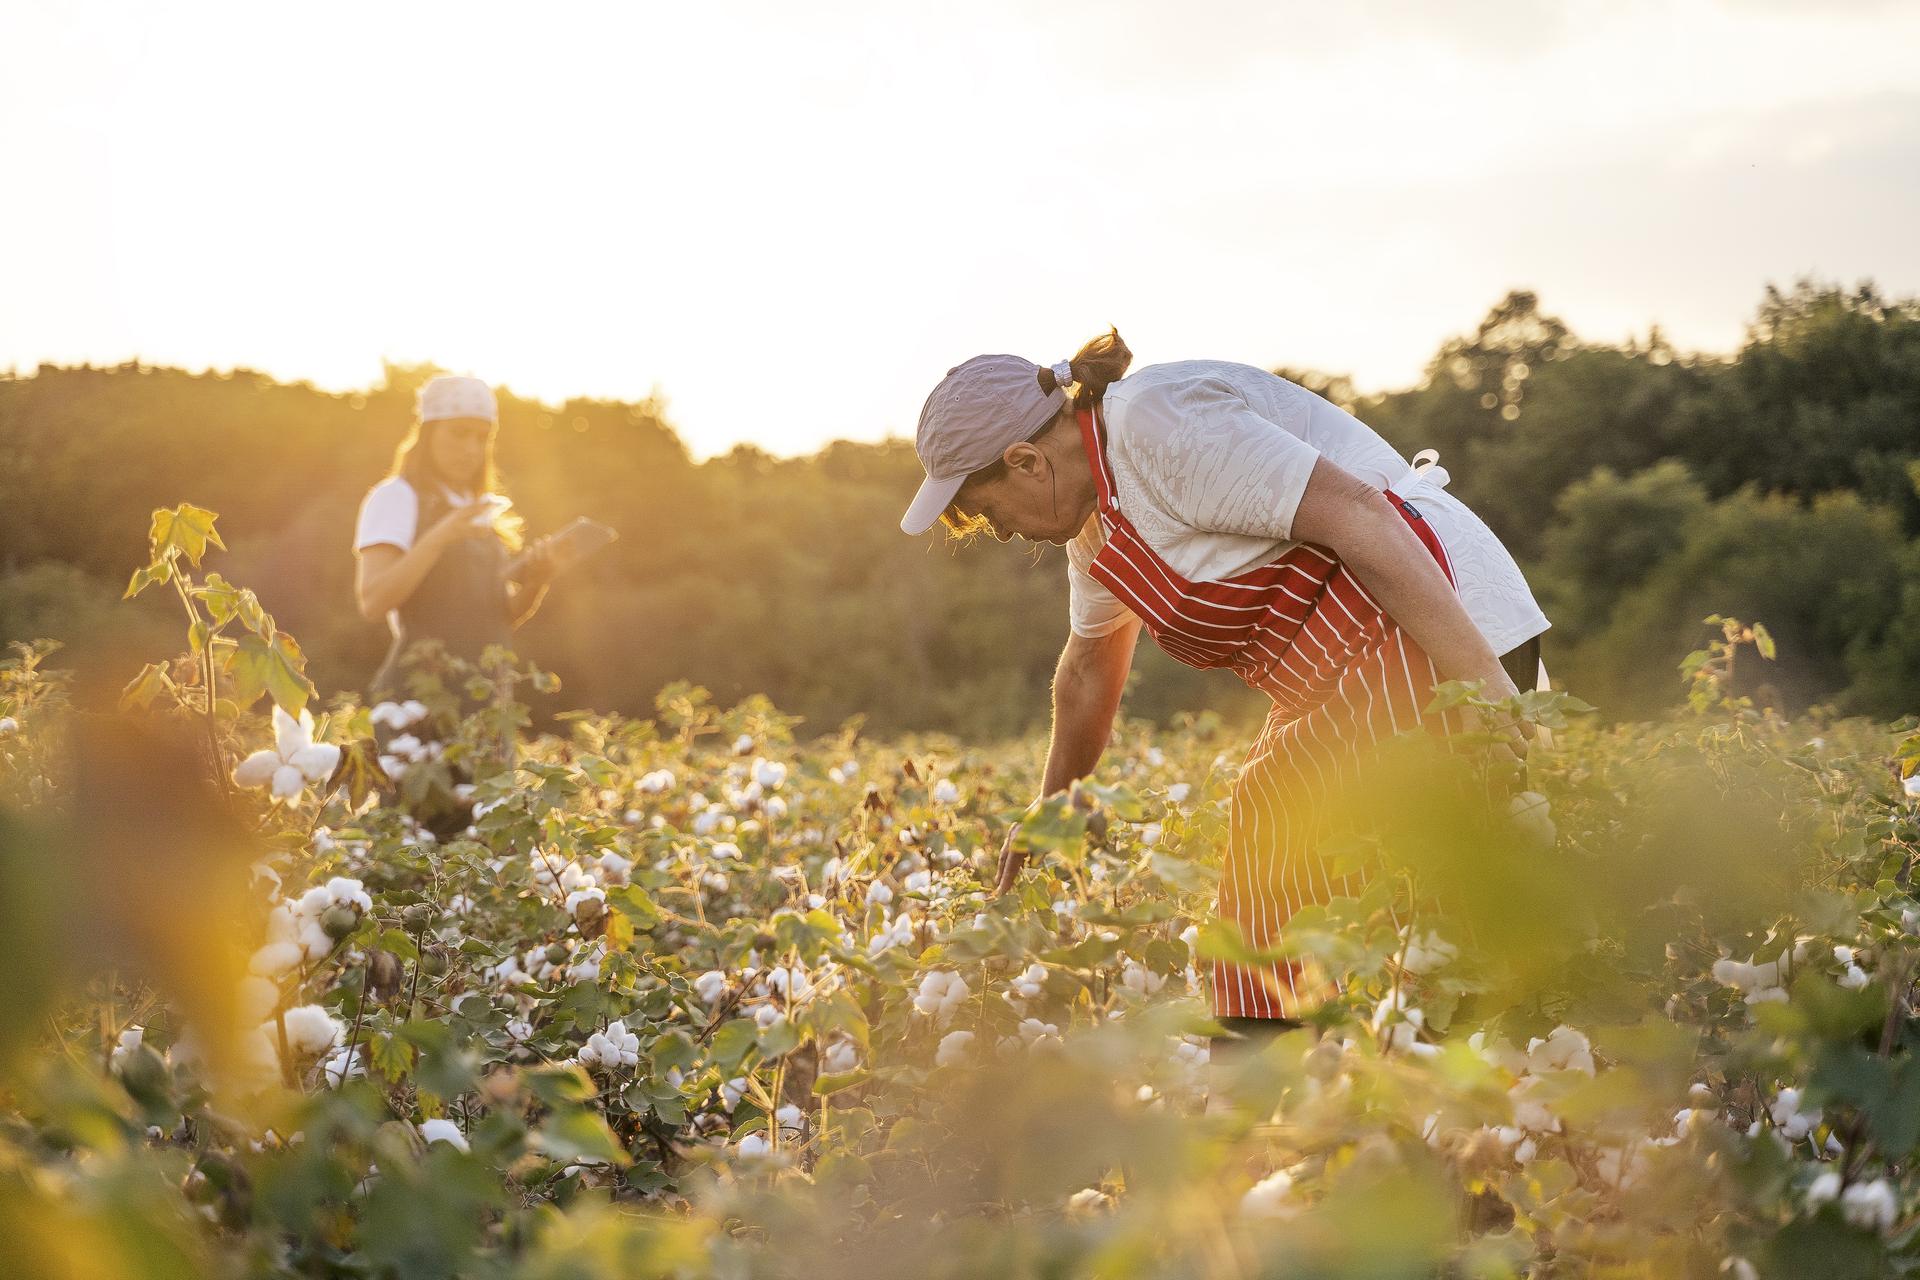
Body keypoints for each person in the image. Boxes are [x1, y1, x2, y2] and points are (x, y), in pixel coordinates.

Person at [900, 331, 1550, 1051]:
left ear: (1025, 460)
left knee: (1377, 884)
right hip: (1336, 683)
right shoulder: (1095, 529)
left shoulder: (1159, 422)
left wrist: (1491, 693)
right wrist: (1050, 818)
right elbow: (1088, 671)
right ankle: (1286, 1114)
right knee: (1275, 876)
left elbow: (1361, 515)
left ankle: (1379, 1097)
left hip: (1437, 622)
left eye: (989, 512)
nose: (999, 533)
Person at [353, 374, 560, 697]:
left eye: (482, 437)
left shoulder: (479, 507)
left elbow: (496, 620)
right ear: (428, 432)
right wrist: (439, 537)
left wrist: (536, 582)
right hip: (420, 699)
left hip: (485, 700)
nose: (472, 448)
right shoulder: (396, 497)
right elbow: (373, 601)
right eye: (459, 433)